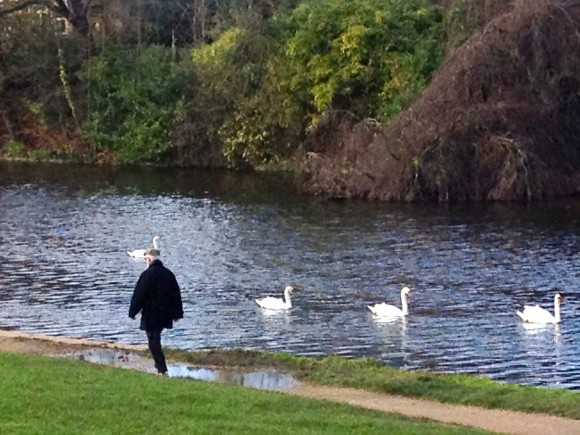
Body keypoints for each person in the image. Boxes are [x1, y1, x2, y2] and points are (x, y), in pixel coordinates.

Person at [129, 248, 183, 375]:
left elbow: (138, 295)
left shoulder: (146, 275)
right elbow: (176, 295)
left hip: (151, 314)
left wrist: (133, 312)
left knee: (153, 340)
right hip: (165, 314)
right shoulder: (169, 274)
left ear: (148, 259)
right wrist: (177, 313)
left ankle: (161, 368)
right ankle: (160, 367)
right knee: (155, 338)